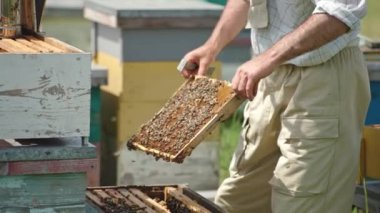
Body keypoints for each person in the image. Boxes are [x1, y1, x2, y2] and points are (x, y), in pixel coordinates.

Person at [180, 0, 370, 212]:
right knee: (238, 200)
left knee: (301, 200)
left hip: (322, 75)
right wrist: (212, 46)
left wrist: (267, 59)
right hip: (269, 76)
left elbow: (340, 13)